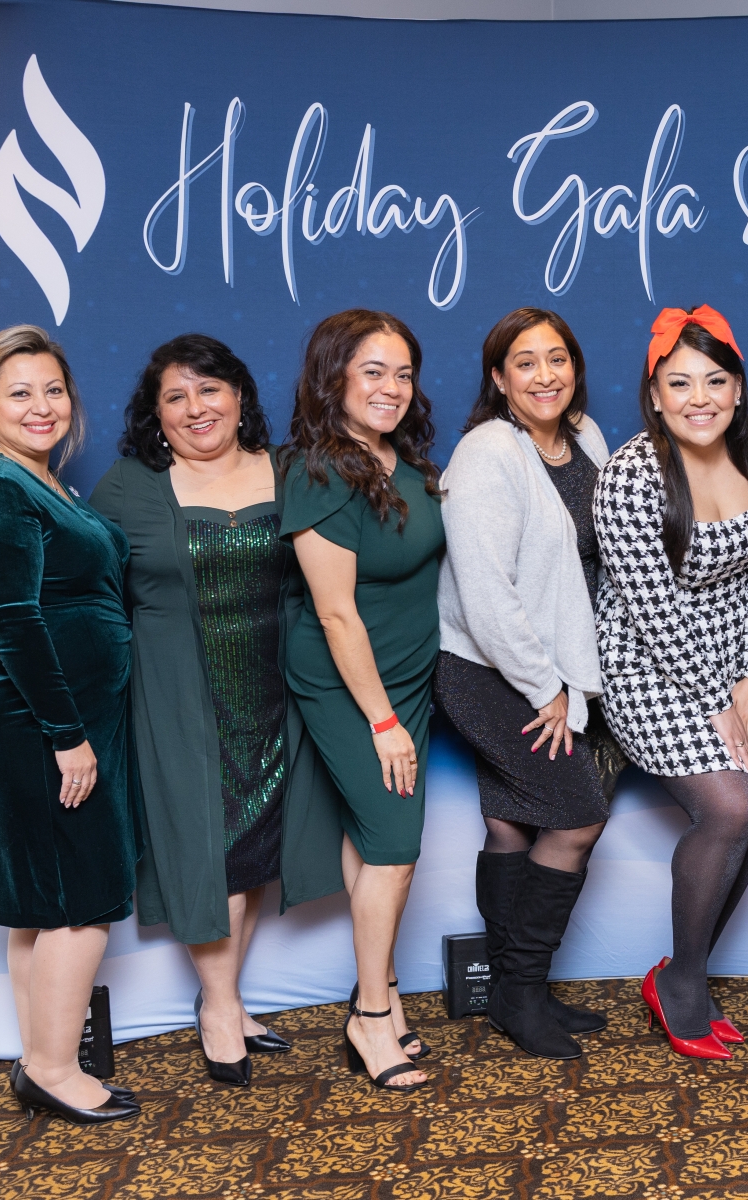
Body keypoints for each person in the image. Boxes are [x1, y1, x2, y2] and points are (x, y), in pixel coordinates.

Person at [90, 334, 345, 1087]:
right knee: (212, 848)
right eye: (176, 397)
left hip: (279, 694)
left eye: (210, 390)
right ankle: (222, 1007)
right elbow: (71, 571)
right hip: (182, 698)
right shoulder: (131, 487)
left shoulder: (291, 470)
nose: (196, 408)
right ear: (156, 413)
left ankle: (222, 996)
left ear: (239, 397)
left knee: (257, 846)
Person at [0, 325, 140, 1124]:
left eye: (53, 389)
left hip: (41, 717)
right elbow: (18, 621)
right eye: (19, 392)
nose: (41, 406)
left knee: (45, 901)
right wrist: (66, 735)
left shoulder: (33, 479)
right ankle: (55, 1070)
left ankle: (40, 1060)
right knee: (82, 899)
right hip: (33, 725)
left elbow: (1, 596)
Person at [594, 305, 748, 1061]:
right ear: (655, 394)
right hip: (649, 665)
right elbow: (653, 612)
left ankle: (685, 973)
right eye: (679, 383)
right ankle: (681, 983)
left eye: (715, 380)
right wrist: (715, 701)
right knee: (731, 804)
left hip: (738, 656)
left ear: (738, 389)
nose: (699, 398)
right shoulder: (629, 477)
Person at [435, 308, 615, 1060]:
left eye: (557, 358)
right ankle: (521, 991)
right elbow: (486, 593)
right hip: (488, 668)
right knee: (576, 819)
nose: (546, 375)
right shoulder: (487, 452)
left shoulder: (587, 438)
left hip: (551, 665)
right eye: (526, 362)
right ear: (499, 379)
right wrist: (547, 688)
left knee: (513, 821)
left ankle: (517, 990)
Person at [281, 309, 445, 1092]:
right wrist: (382, 721)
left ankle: (383, 994)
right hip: (351, 685)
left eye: (403, 373)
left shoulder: (401, 459)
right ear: (334, 377)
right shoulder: (320, 472)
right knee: (394, 847)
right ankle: (370, 1016)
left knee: (373, 842)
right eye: (372, 371)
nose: (391, 387)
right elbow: (335, 612)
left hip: (407, 675)